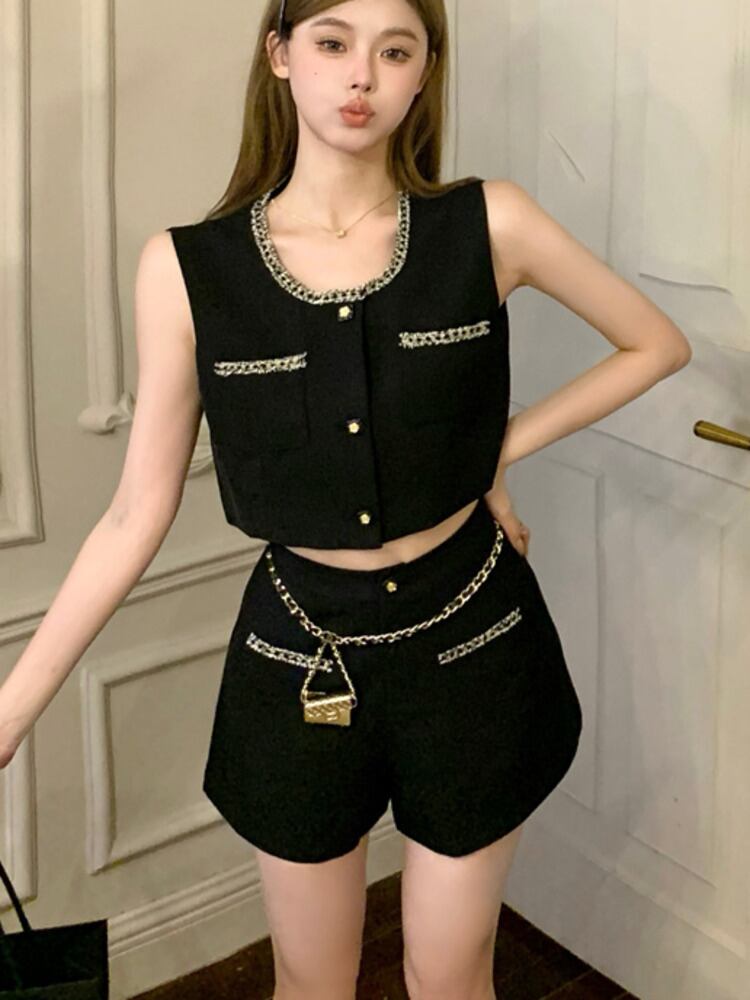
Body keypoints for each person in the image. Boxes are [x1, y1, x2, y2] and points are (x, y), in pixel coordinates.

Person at [0, 1, 692, 998]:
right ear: (280, 55)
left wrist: (492, 452)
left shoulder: (488, 224)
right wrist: (12, 710)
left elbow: (655, 343)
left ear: (423, 73)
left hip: (474, 644)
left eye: (395, 50)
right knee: (311, 978)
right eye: (332, 42)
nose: (362, 75)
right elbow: (133, 514)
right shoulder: (188, 271)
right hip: (298, 653)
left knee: (450, 974)